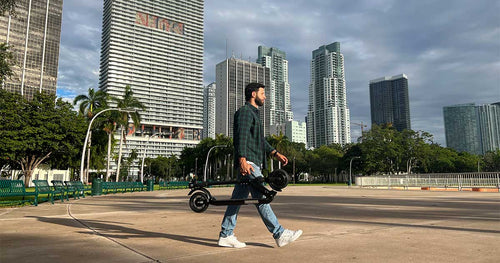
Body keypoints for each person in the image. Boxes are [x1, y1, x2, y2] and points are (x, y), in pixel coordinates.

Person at [218, 82, 302, 248]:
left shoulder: (254, 114)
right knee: (262, 197)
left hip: (251, 161)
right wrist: (242, 159)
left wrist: (275, 153)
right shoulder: (245, 112)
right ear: (253, 94)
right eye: (263, 93)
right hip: (248, 162)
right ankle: (279, 233)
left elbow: (260, 141)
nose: (265, 97)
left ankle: (226, 234)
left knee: (237, 200)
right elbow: (240, 137)